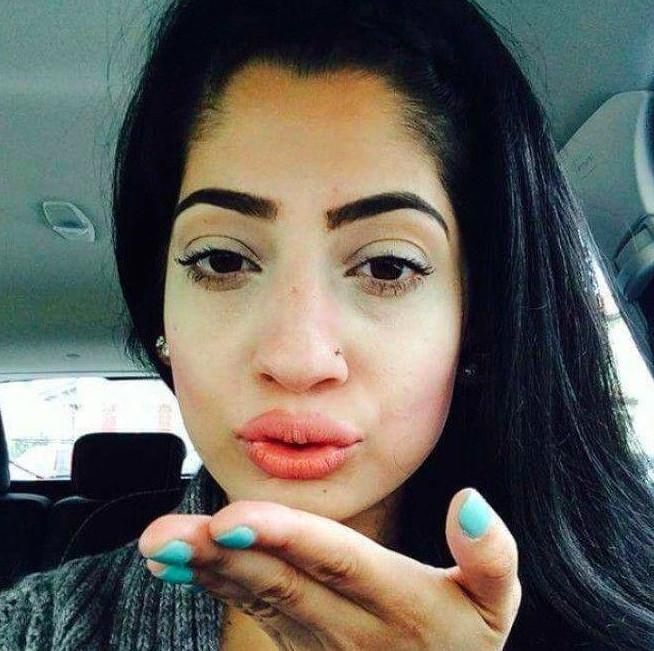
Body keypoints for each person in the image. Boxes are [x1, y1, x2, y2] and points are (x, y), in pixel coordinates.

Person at [2, 0, 653, 649]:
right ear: (161, 314)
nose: (297, 358)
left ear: (476, 319)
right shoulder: (36, 628)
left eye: (388, 267)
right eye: (222, 259)